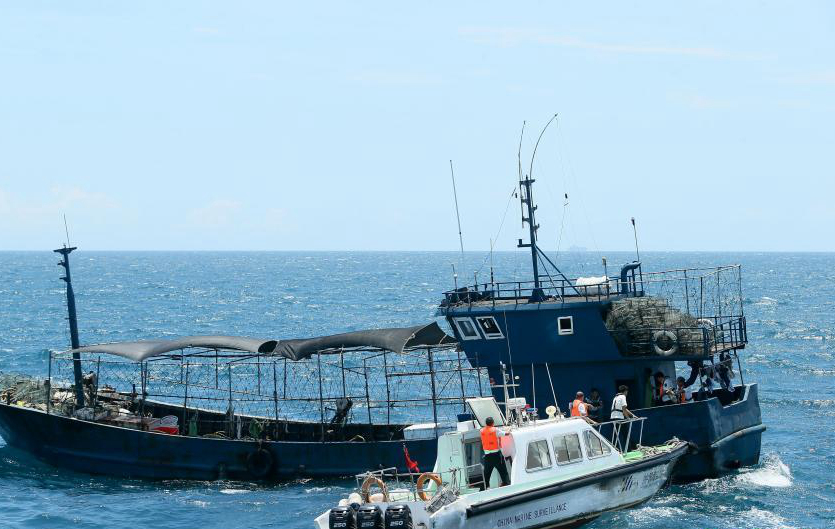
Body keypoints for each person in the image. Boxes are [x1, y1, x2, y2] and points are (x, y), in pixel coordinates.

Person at [480, 416, 509, 488]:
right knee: (503, 471)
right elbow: (506, 434)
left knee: (486, 474)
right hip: (496, 455)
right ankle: (506, 484)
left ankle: (484, 487)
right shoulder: (495, 430)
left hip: (487, 457)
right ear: (493, 423)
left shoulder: (481, 431)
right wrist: (509, 429)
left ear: (486, 424)